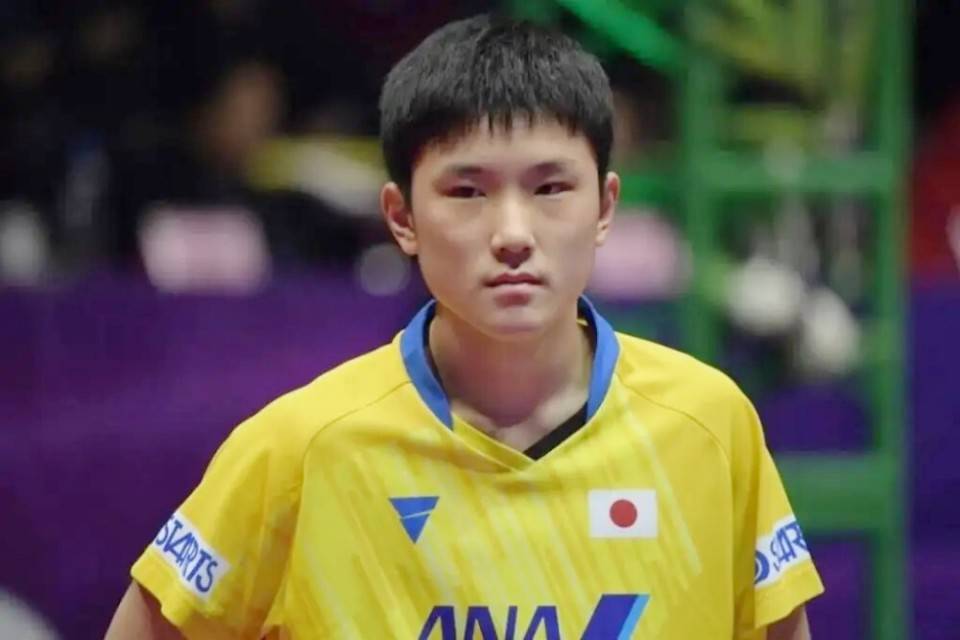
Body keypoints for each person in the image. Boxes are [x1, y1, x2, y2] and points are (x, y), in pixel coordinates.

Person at [105, 14, 823, 639]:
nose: (513, 233)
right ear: (402, 218)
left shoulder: (711, 427)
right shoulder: (299, 449)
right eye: (467, 191)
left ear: (605, 207)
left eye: (551, 188)